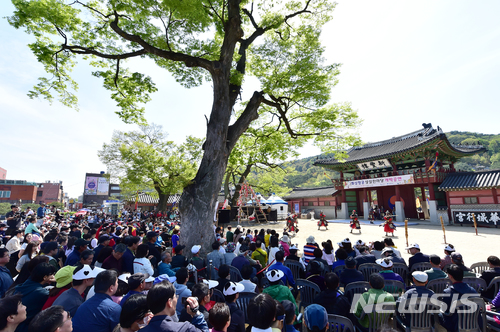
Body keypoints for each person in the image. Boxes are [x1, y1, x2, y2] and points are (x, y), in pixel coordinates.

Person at [140, 280, 209, 332]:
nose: (176, 299)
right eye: (175, 296)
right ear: (169, 302)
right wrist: (196, 314)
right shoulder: (184, 328)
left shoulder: (141, 331)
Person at [14, 262, 56, 332]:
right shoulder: (41, 293)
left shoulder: (26, 283)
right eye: (51, 274)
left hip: (15, 325)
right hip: (25, 327)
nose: (53, 276)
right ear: (45, 277)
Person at [438, 264, 479, 332]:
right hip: (473, 324)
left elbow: (446, 312)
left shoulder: (448, 292)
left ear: (450, 276)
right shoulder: (472, 290)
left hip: (455, 326)